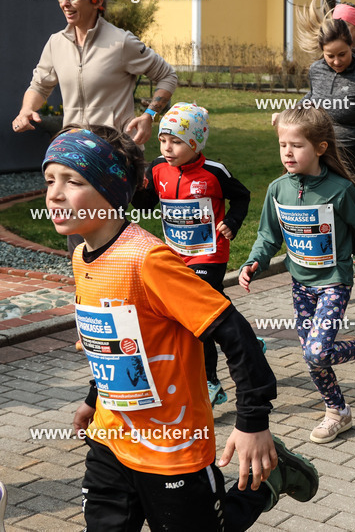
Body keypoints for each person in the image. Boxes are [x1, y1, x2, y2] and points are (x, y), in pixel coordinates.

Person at [43, 126, 317, 528]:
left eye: (74, 181)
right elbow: (117, 342)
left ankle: (264, 482)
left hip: (174, 451)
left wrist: (252, 422)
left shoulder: (147, 261)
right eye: (50, 179)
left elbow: (236, 334)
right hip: (111, 440)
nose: (54, 193)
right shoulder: (83, 256)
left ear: (113, 191)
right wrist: (93, 397)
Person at [239, 107, 355, 444]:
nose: (288, 153)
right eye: (282, 145)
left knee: (317, 352)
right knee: (312, 353)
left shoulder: (339, 190)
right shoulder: (278, 189)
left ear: (321, 147)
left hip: (334, 282)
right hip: (301, 285)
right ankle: (338, 411)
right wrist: (253, 263)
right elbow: (269, 236)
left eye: (297, 145)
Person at [132, 102, 252, 407]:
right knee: (213, 309)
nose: (168, 148)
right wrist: (139, 188)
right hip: (176, 254)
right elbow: (145, 206)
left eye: (176, 142)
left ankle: (211, 383)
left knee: (199, 318)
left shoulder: (214, 172)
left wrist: (232, 223)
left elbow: (242, 196)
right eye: (163, 140)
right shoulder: (157, 167)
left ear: (196, 144)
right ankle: (244, 339)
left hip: (209, 254)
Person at [14, 0, 177, 144]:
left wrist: (149, 116)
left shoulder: (121, 42)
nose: (64, 3)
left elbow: (167, 75)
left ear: (97, 1)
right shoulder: (56, 43)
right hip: (76, 150)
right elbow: (39, 86)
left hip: (117, 151)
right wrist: (26, 110)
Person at [286, 0, 355, 193]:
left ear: (351, 45)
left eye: (342, 54)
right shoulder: (316, 70)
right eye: (330, 56)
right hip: (327, 151)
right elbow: (313, 96)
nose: (336, 61)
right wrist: (288, 114)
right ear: (322, 51)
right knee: (330, 214)